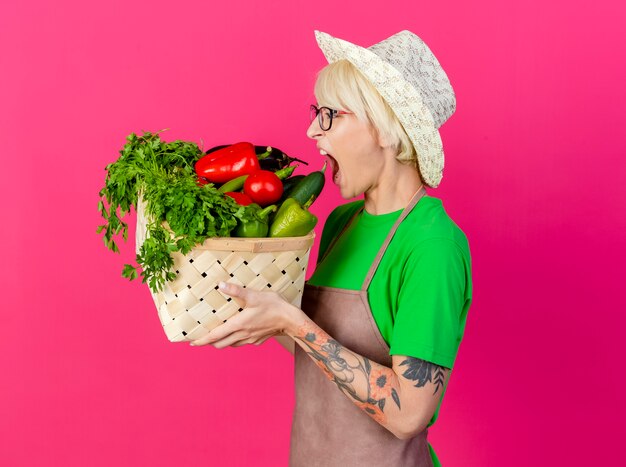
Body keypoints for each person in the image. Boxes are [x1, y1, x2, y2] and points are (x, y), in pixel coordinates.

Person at [190, 30, 473, 467]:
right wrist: (261, 314)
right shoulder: (343, 223)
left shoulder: (431, 245)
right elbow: (324, 352)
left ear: (382, 127)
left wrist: (293, 323)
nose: (311, 130)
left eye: (329, 115)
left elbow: (408, 413)